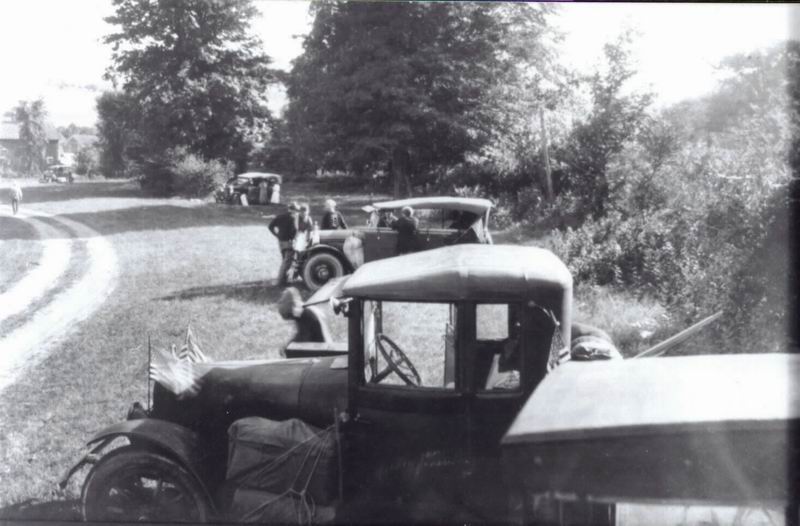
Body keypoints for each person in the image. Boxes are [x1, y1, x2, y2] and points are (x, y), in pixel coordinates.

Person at [269, 202, 299, 286]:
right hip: (289, 241)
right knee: (287, 262)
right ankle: (280, 281)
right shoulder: (293, 218)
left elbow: (270, 226)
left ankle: (284, 280)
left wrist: (276, 235)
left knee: (285, 260)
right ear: (293, 210)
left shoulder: (280, 216)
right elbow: (294, 230)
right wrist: (295, 238)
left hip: (280, 241)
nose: (296, 212)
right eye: (296, 210)